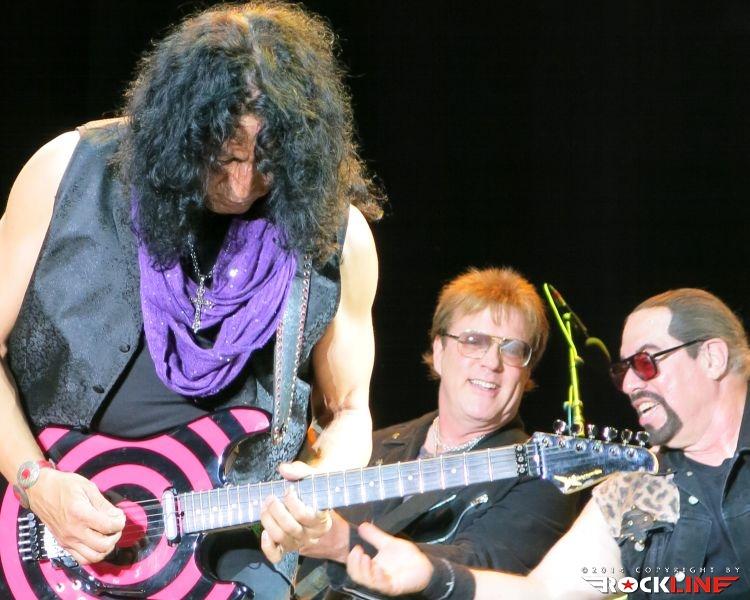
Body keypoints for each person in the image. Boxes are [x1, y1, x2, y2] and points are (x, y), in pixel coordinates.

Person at [0, 2, 381, 598]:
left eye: (268, 162)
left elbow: (351, 411)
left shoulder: (336, 236)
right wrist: (34, 480)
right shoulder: (66, 175)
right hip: (58, 532)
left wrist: (323, 480)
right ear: (178, 132)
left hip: (231, 544)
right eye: (225, 157)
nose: (243, 185)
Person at [341, 288, 750, 599]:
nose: (628, 384)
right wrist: (435, 576)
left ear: (712, 358)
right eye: (622, 370)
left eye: (645, 362)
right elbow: (546, 591)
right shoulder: (635, 490)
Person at [261, 267, 578, 598]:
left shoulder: (544, 476)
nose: (492, 362)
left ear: (527, 371)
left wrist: (345, 544)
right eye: (473, 341)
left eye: (512, 349)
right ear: (439, 352)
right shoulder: (372, 447)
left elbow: (483, 569)